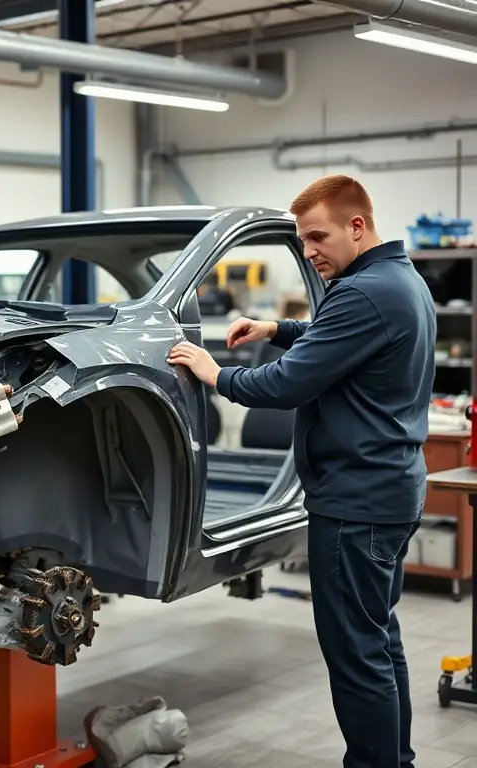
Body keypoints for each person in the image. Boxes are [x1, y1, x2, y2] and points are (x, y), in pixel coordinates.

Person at [167, 175, 435, 768]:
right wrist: (278, 329)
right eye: (303, 240)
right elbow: (345, 340)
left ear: (357, 226)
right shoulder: (397, 281)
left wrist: (216, 374)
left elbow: (286, 383)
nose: (310, 252)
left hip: (355, 504)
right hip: (390, 489)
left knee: (356, 654)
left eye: (319, 237)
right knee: (378, 643)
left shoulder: (362, 293)